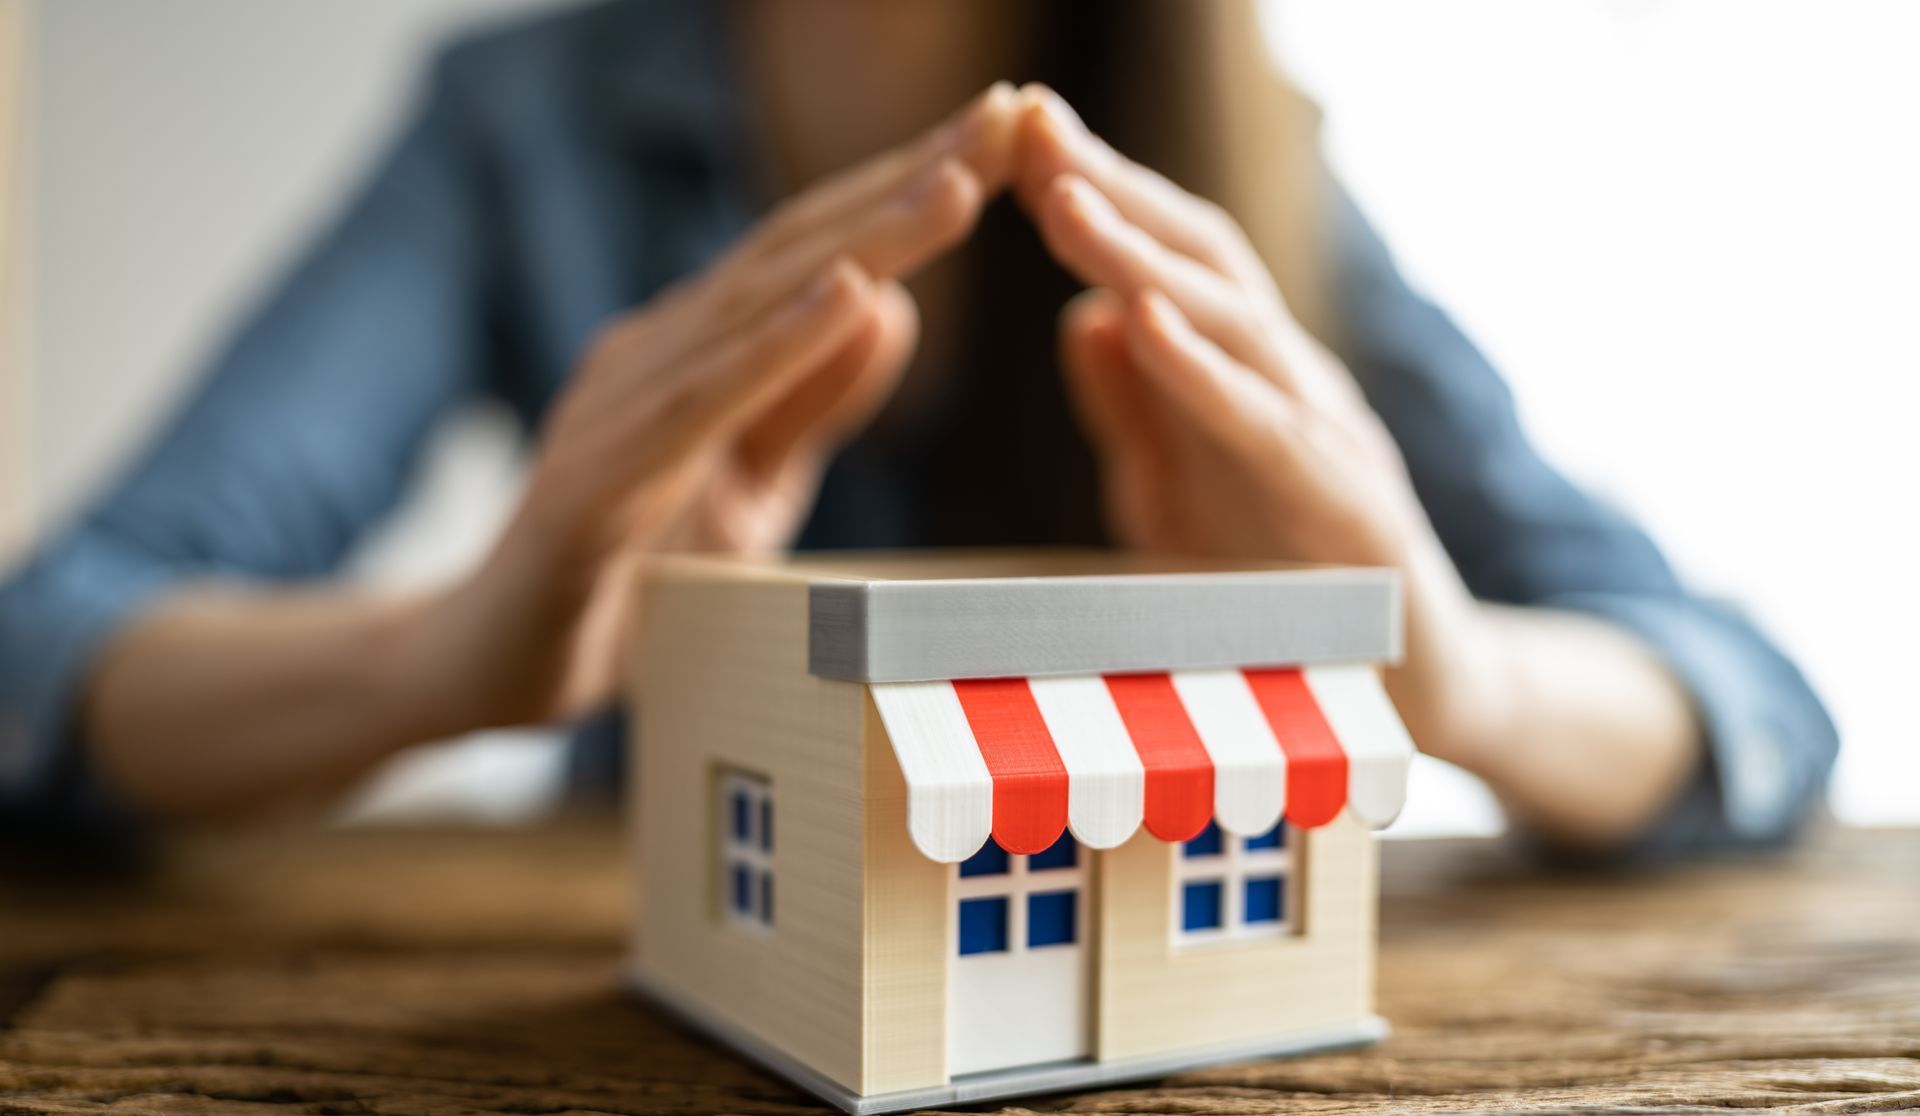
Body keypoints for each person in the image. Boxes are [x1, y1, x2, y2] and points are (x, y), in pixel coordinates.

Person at [0, 0, 1835, 857]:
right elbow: (53, 635)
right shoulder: (521, 119)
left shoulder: (1242, 149)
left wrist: (1451, 679)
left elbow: (1745, 695)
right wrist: (459, 653)